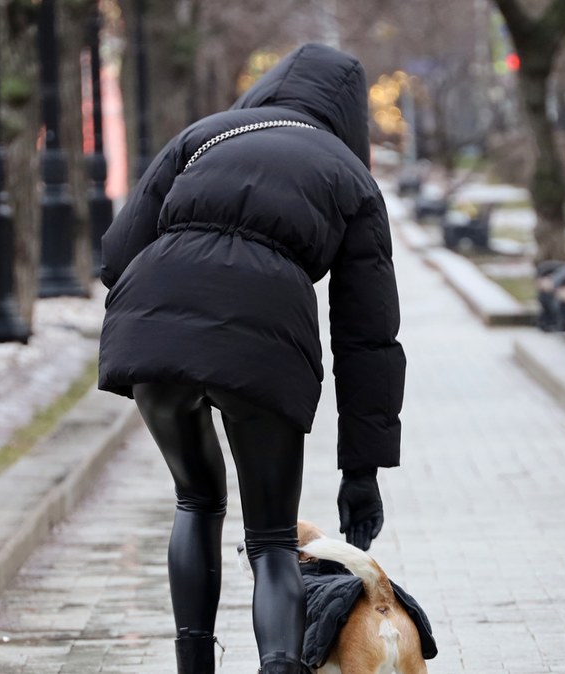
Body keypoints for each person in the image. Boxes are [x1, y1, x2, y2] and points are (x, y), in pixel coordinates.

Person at [97, 44, 405, 674]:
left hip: (151, 328)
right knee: (269, 539)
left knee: (196, 500)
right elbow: (365, 336)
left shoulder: (203, 135)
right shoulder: (350, 175)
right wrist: (361, 471)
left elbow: (115, 256)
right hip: (264, 336)